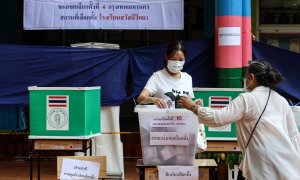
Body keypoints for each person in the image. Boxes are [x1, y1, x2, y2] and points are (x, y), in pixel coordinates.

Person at [178, 60, 300, 179]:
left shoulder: (247, 99)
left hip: (261, 162)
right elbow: (294, 136)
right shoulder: (282, 100)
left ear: (251, 78)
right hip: (284, 161)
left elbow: (218, 119)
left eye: (245, 76)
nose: (245, 79)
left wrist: (194, 107)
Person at [137, 40, 207, 152]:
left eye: (181, 60)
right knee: (165, 160)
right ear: (166, 57)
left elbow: (189, 102)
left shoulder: (187, 78)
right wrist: (153, 99)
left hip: (184, 130)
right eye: (173, 59)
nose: (177, 63)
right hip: (163, 131)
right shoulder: (157, 77)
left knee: (184, 162)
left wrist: (195, 104)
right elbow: (141, 98)